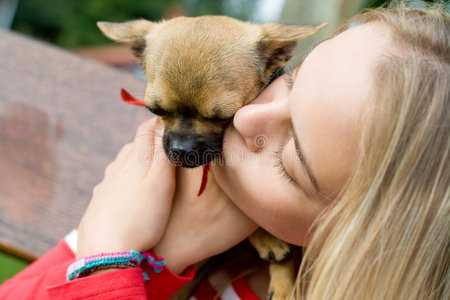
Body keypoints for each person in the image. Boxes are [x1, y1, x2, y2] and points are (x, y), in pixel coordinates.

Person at [1, 2, 448, 299]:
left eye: (291, 161)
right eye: (288, 83)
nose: (246, 118)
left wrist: (110, 258)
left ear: (354, 232)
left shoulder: (124, 220)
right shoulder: (138, 197)